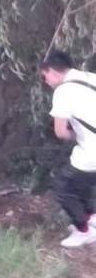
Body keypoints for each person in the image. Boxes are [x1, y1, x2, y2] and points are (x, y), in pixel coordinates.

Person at [40, 50, 96, 248]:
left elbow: (61, 132)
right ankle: (92, 218)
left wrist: (75, 136)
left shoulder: (63, 92)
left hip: (91, 152)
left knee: (64, 189)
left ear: (53, 72)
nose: (45, 80)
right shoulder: (90, 77)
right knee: (83, 184)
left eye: (44, 75)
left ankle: (84, 231)